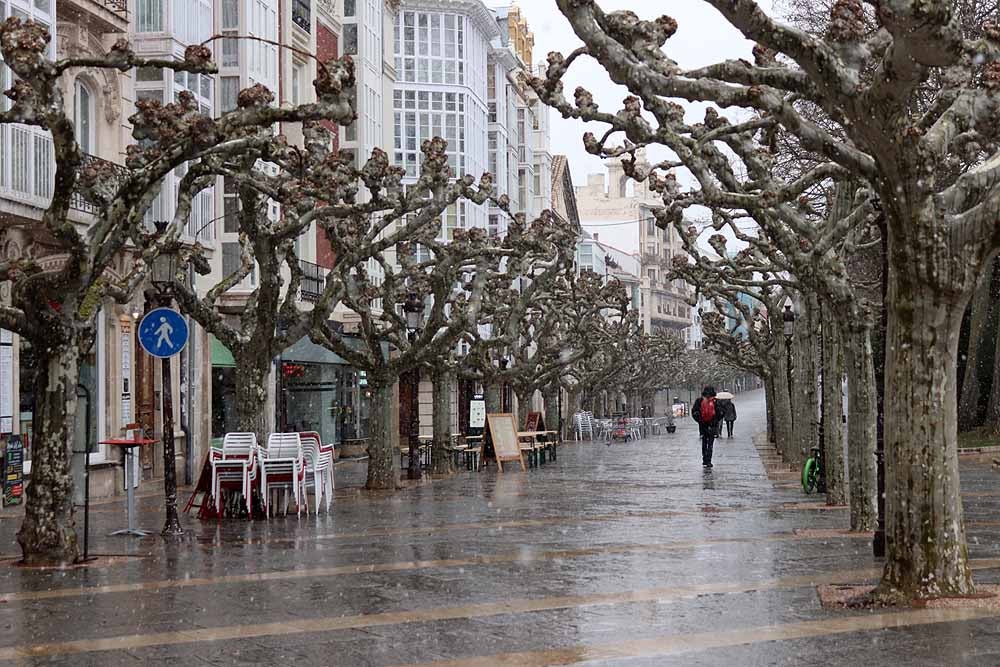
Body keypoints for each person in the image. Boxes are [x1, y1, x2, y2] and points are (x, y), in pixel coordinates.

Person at [692, 385, 723, 467]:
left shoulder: (699, 401)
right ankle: (708, 460)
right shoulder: (715, 401)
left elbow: (694, 412)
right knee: (710, 443)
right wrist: (715, 420)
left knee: (704, 441)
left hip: (703, 425)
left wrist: (700, 420)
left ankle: (704, 459)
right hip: (712, 425)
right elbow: (721, 413)